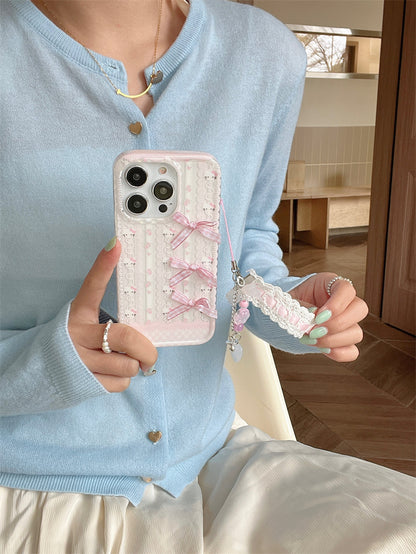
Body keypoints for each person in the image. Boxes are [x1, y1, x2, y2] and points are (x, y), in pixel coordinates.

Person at [0, 0, 414, 552]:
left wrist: (293, 307)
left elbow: (246, 239)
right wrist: (42, 364)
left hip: (217, 463)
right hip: (29, 481)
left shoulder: (265, 54)